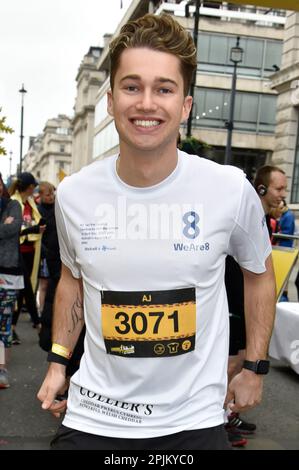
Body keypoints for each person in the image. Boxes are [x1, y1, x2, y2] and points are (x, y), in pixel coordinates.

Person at [38, 13, 276, 451]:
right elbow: (73, 280)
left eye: (164, 89)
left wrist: (254, 367)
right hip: (95, 415)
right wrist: (58, 363)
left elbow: (259, 273)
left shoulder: (228, 189)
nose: (146, 103)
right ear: (110, 100)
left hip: (194, 420)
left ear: (185, 104)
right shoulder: (74, 194)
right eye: (132, 87)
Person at [9, 172, 46, 343]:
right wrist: (32, 230)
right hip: (16, 253)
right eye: (34, 186)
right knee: (25, 290)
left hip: (31, 251)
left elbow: (35, 223)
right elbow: (15, 230)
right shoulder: (14, 203)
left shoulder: (31, 203)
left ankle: (12, 329)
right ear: (30, 187)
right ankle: (38, 326)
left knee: (23, 290)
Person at [0, 173, 24, 388]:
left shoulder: (13, 205)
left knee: (4, 322)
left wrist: (7, 226)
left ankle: (1, 369)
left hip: (7, 273)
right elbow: (5, 230)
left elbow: (14, 228)